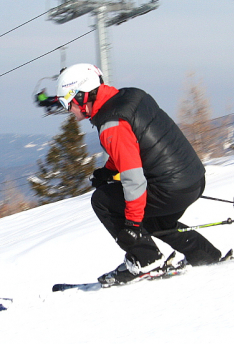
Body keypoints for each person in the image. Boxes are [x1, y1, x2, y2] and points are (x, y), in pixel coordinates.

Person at [55, 63, 224, 285]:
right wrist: (108, 171)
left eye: (67, 103)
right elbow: (137, 145)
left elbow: (133, 178)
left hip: (170, 188)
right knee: (152, 219)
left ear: (81, 95)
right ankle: (204, 254)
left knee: (103, 201)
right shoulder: (130, 96)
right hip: (192, 179)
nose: (69, 111)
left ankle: (146, 261)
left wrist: (132, 226)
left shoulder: (111, 124)